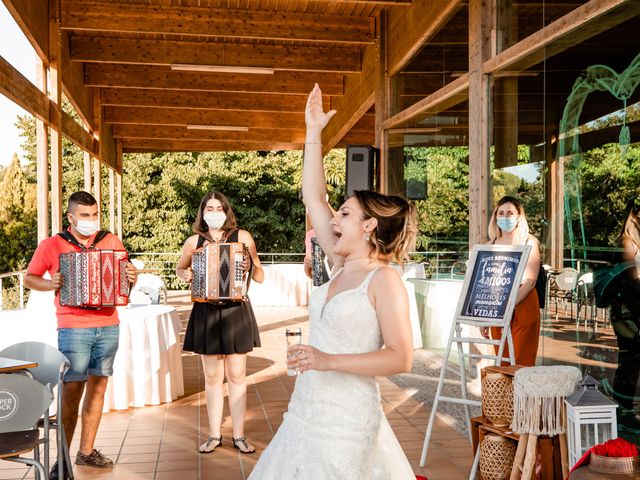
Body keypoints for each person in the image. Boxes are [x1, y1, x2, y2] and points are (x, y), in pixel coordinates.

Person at [249, 84, 418, 479]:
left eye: (343, 214)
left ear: (370, 225)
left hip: (347, 423)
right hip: (306, 411)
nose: (333, 220)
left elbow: (400, 357)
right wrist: (313, 132)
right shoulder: (341, 266)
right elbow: (312, 196)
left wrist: (327, 361)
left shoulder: (384, 280)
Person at [24, 191, 137, 479]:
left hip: (109, 323)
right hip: (73, 326)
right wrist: (52, 285)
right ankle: (61, 459)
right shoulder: (52, 245)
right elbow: (29, 277)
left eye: (95, 215)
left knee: (98, 389)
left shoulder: (110, 241)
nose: (91, 221)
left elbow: (123, 287)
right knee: (71, 392)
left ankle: (86, 452)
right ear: (71, 217)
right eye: (85, 216)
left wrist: (130, 279)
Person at [176, 191, 264, 455]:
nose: (214, 212)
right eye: (209, 208)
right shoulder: (194, 241)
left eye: (218, 208)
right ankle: (214, 435)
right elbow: (180, 269)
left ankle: (239, 435)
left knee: (237, 376)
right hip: (206, 311)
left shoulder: (243, 237)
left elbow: (260, 276)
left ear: (226, 211)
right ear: (202, 213)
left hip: (236, 310)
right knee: (213, 378)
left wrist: (251, 264)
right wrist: (186, 274)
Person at [480, 195, 541, 366]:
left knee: (522, 361)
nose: (505, 217)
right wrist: (485, 317)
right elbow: (484, 285)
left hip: (523, 302)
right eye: (501, 213)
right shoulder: (489, 245)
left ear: (519, 216)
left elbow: (530, 281)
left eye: (510, 213)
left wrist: (509, 303)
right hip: (497, 304)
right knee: (502, 360)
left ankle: (520, 394)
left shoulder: (529, 242)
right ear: (495, 216)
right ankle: (505, 394)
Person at [609, 199, 640, 420]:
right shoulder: (628, 243)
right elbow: (633, 280)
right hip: (629, 312)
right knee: (629, 361)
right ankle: (623, 410)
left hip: (633, 309)